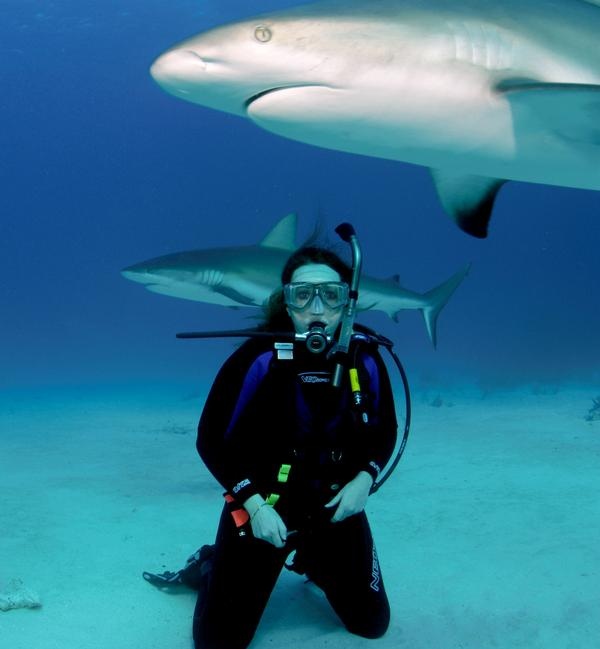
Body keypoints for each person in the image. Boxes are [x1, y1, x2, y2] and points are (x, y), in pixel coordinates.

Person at [192, 246, 398, 649]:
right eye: (302, 295)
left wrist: (365, 477)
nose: (316, 307)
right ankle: (210, 562)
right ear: (285, 302)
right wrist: (253, 504)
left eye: (330, 294)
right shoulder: (256, 358)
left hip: (336, 507)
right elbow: (210, 440)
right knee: (217, 643)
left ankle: (316, 558)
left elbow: (386, 430)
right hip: (263, 510)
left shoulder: (367, 359)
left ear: (347, 301)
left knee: (371, 625)